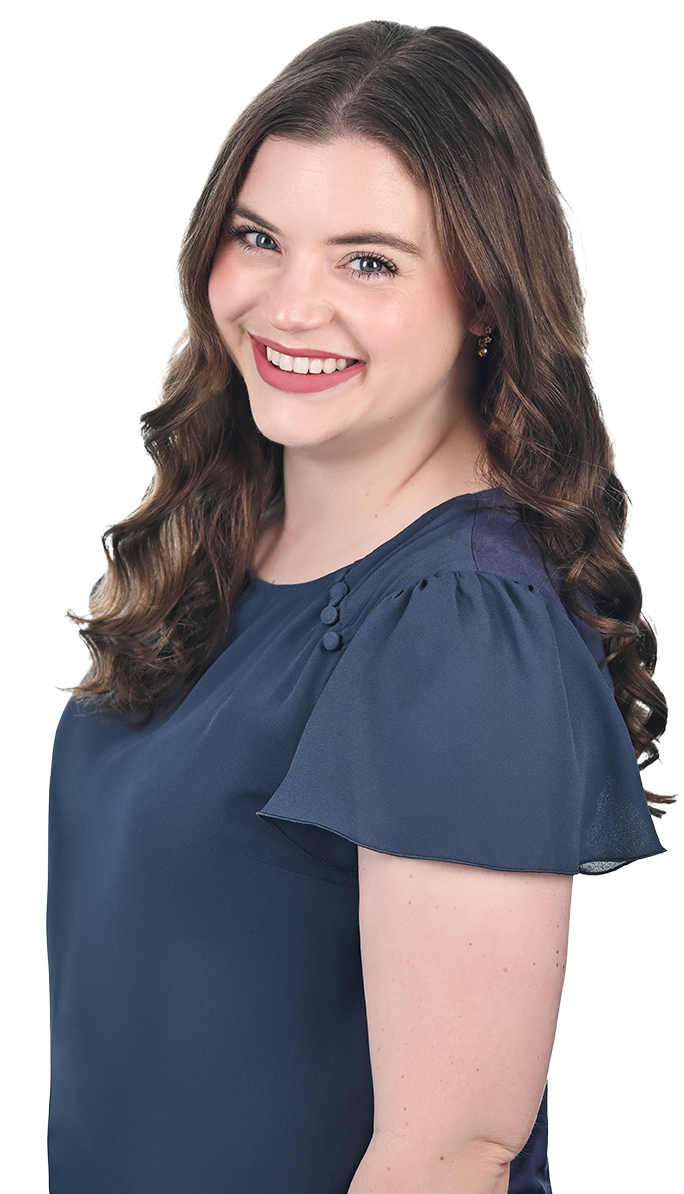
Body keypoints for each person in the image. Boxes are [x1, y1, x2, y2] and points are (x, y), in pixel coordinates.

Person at [46, 19, 671, 1194]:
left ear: (484, 300)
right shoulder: (220, 541)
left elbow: (449, 1153)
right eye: (259, 238)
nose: (290, 307)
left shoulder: (459, 629)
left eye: (368, 261)